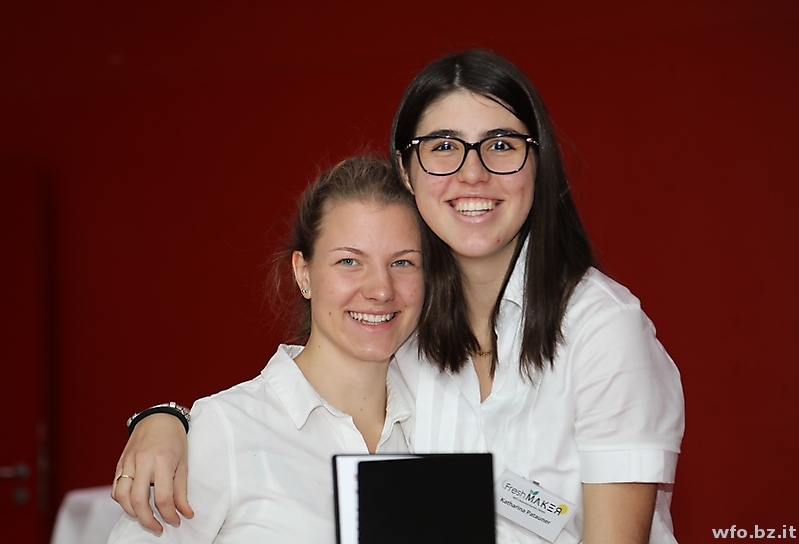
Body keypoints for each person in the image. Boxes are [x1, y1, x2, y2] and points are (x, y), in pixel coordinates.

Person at [113, 50, 684, 544]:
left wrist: (170, 420)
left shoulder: (600, 328)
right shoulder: (409, 343)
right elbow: (284, 407)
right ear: (409, 173)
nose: (473, 174)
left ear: (539, 161)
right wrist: (173, 421)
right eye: (444, 147)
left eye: (501, 144)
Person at [108, 156, 424, 542]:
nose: (381, 289)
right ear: (303, 274)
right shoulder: (225, 430)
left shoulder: (435, 421)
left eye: (403, 262)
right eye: (349, 261)